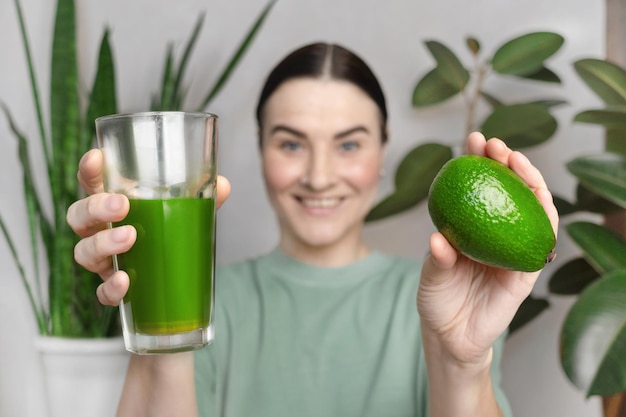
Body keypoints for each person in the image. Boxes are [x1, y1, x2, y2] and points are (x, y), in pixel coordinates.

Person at [67, 42, 558, 417]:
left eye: (349, 145)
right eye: (291, 144)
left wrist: (461, 363)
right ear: (260, 151)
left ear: (383, 152)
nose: (319, 176)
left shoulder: (447, 299)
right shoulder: (206, 304)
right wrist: (157, 295)